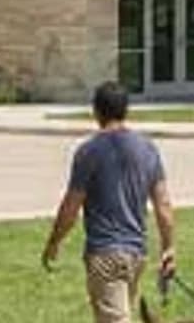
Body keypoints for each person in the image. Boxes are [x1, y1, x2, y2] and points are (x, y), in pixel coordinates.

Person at [42, 82, 177, 323]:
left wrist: (54, 242)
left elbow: (71, 205)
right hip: (136, 254)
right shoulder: (148, 149)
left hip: (105, 255)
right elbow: (163, 204)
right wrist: (168, 247)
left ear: (96, 111)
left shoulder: (89, 151)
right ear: (126, 110)